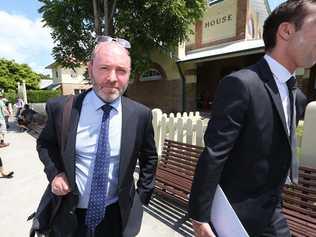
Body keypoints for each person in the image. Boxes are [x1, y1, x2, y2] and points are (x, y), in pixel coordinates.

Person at [189, 1, 315, 236]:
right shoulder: (241, 84)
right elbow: (215, 153)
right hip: (235, 218)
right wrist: (199, 215)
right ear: (286, 31)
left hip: (272, 212)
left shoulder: (298, 97)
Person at [35, 36, 158, 237]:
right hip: (70, 215)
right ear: (90, 67)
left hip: (116, 217)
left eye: (121, 71)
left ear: (129, 74)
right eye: (104, 68)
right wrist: (55, 173)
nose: (112, 78)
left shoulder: (140, 115)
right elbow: (46, 144)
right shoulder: (62, 108)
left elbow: (149, 158)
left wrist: (140, 198)